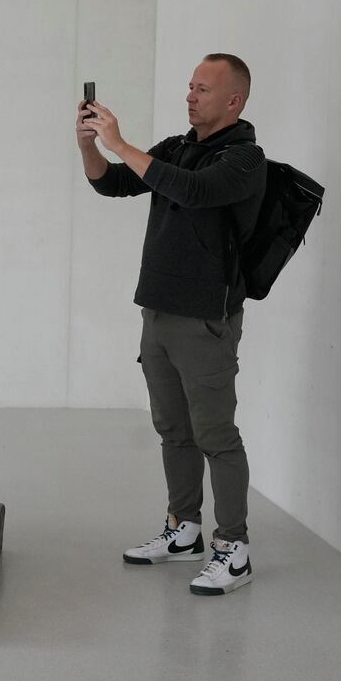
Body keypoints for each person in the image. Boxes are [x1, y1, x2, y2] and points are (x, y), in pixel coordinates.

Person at [78, 54, 267, 595]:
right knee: (173, 431)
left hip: (206, 320)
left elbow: (193, 192)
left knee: (216, 436)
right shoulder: (178, 147)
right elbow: (112, 185)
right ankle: (184, 530)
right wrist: (92, 143)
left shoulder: (244, 159)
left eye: (203, 89)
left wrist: (122, 144)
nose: (190, 96)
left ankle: (234, 548)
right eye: (190, 86)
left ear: (234, 101)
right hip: (158, 311)